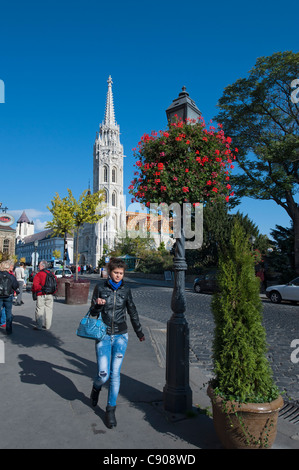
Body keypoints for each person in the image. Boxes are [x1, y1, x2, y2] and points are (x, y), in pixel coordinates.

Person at [89, 257, 145, 428]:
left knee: (115, 374)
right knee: (103, 374)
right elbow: (92, 312)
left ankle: (110, 409)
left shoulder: (126, 291)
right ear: (109, 272)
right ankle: (96, 387)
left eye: (121, 273)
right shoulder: (100, 288)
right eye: (116, 273)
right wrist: (98, 305)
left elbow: (132, 311)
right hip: (104, 335)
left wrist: (139, 332)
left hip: (121, 336)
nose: (118, 276)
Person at [31, 260, 57, 330]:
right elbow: (55, 284)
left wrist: (35, 291)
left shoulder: (39, 274)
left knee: (40, 309)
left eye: (39, 265)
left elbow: (35, 285)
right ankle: (48, 325)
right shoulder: (51, 274)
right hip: (50, 294)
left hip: (41, 294)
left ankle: (39, 326)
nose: (38, 266)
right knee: (49, 310)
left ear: (42, 266)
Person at [0, 260, 20, 335]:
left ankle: (1, 322)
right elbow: (15, 286)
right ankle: (9, 329)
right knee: (8, 312)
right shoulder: (11, 276)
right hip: (8, 295)